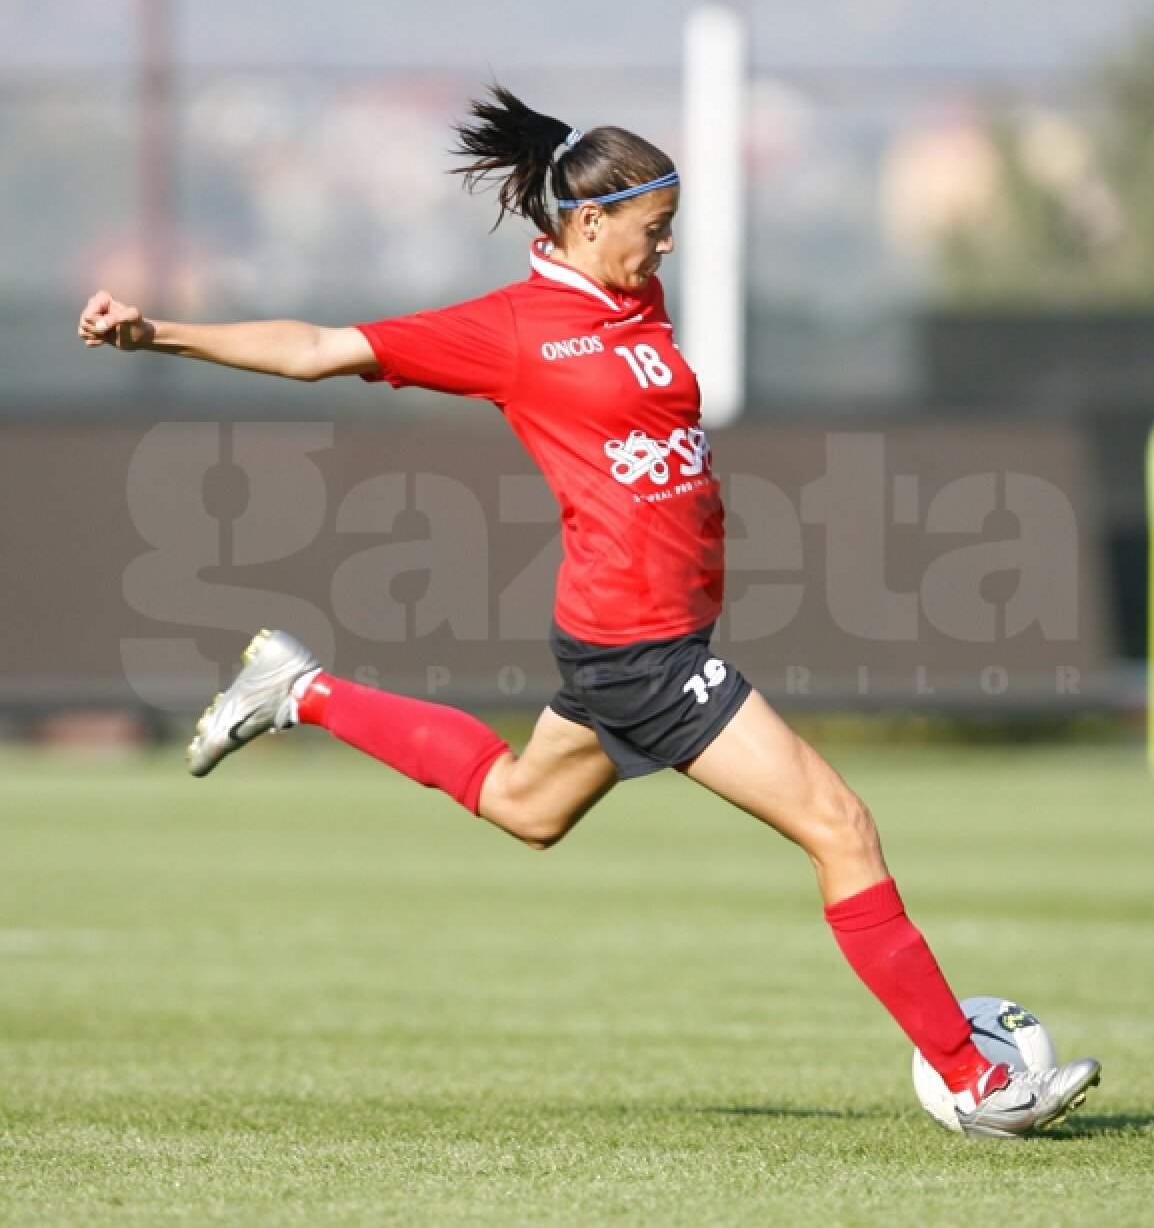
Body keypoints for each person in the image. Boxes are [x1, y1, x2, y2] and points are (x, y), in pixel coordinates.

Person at [78, 84, 1099, 1138]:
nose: (662, 255)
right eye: (651, 235)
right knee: (841, 826)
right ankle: (977, 1083)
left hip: (653, 633)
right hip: (640, 647)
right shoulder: (516, 329)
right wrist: (158, 333)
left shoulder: (633, 303)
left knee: (525, 804)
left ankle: (300, 689)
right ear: (588, 223)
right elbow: (317, 347)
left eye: (669, 236)